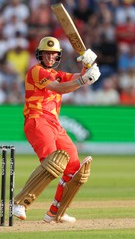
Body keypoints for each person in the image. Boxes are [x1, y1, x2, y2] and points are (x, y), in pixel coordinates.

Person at [12, 36, 101, 223]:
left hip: (54, 123)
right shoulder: (36, 71)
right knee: (53, 163)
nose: (51, 57)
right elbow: (61, 89)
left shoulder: (58, 74)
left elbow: (77, 78)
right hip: (37, 119)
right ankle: (20, 203)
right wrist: (84, 80)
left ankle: (56, 212)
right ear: (40, 54)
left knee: (75, 168)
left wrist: (88, 64)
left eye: (54, 54)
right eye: (47, 53)